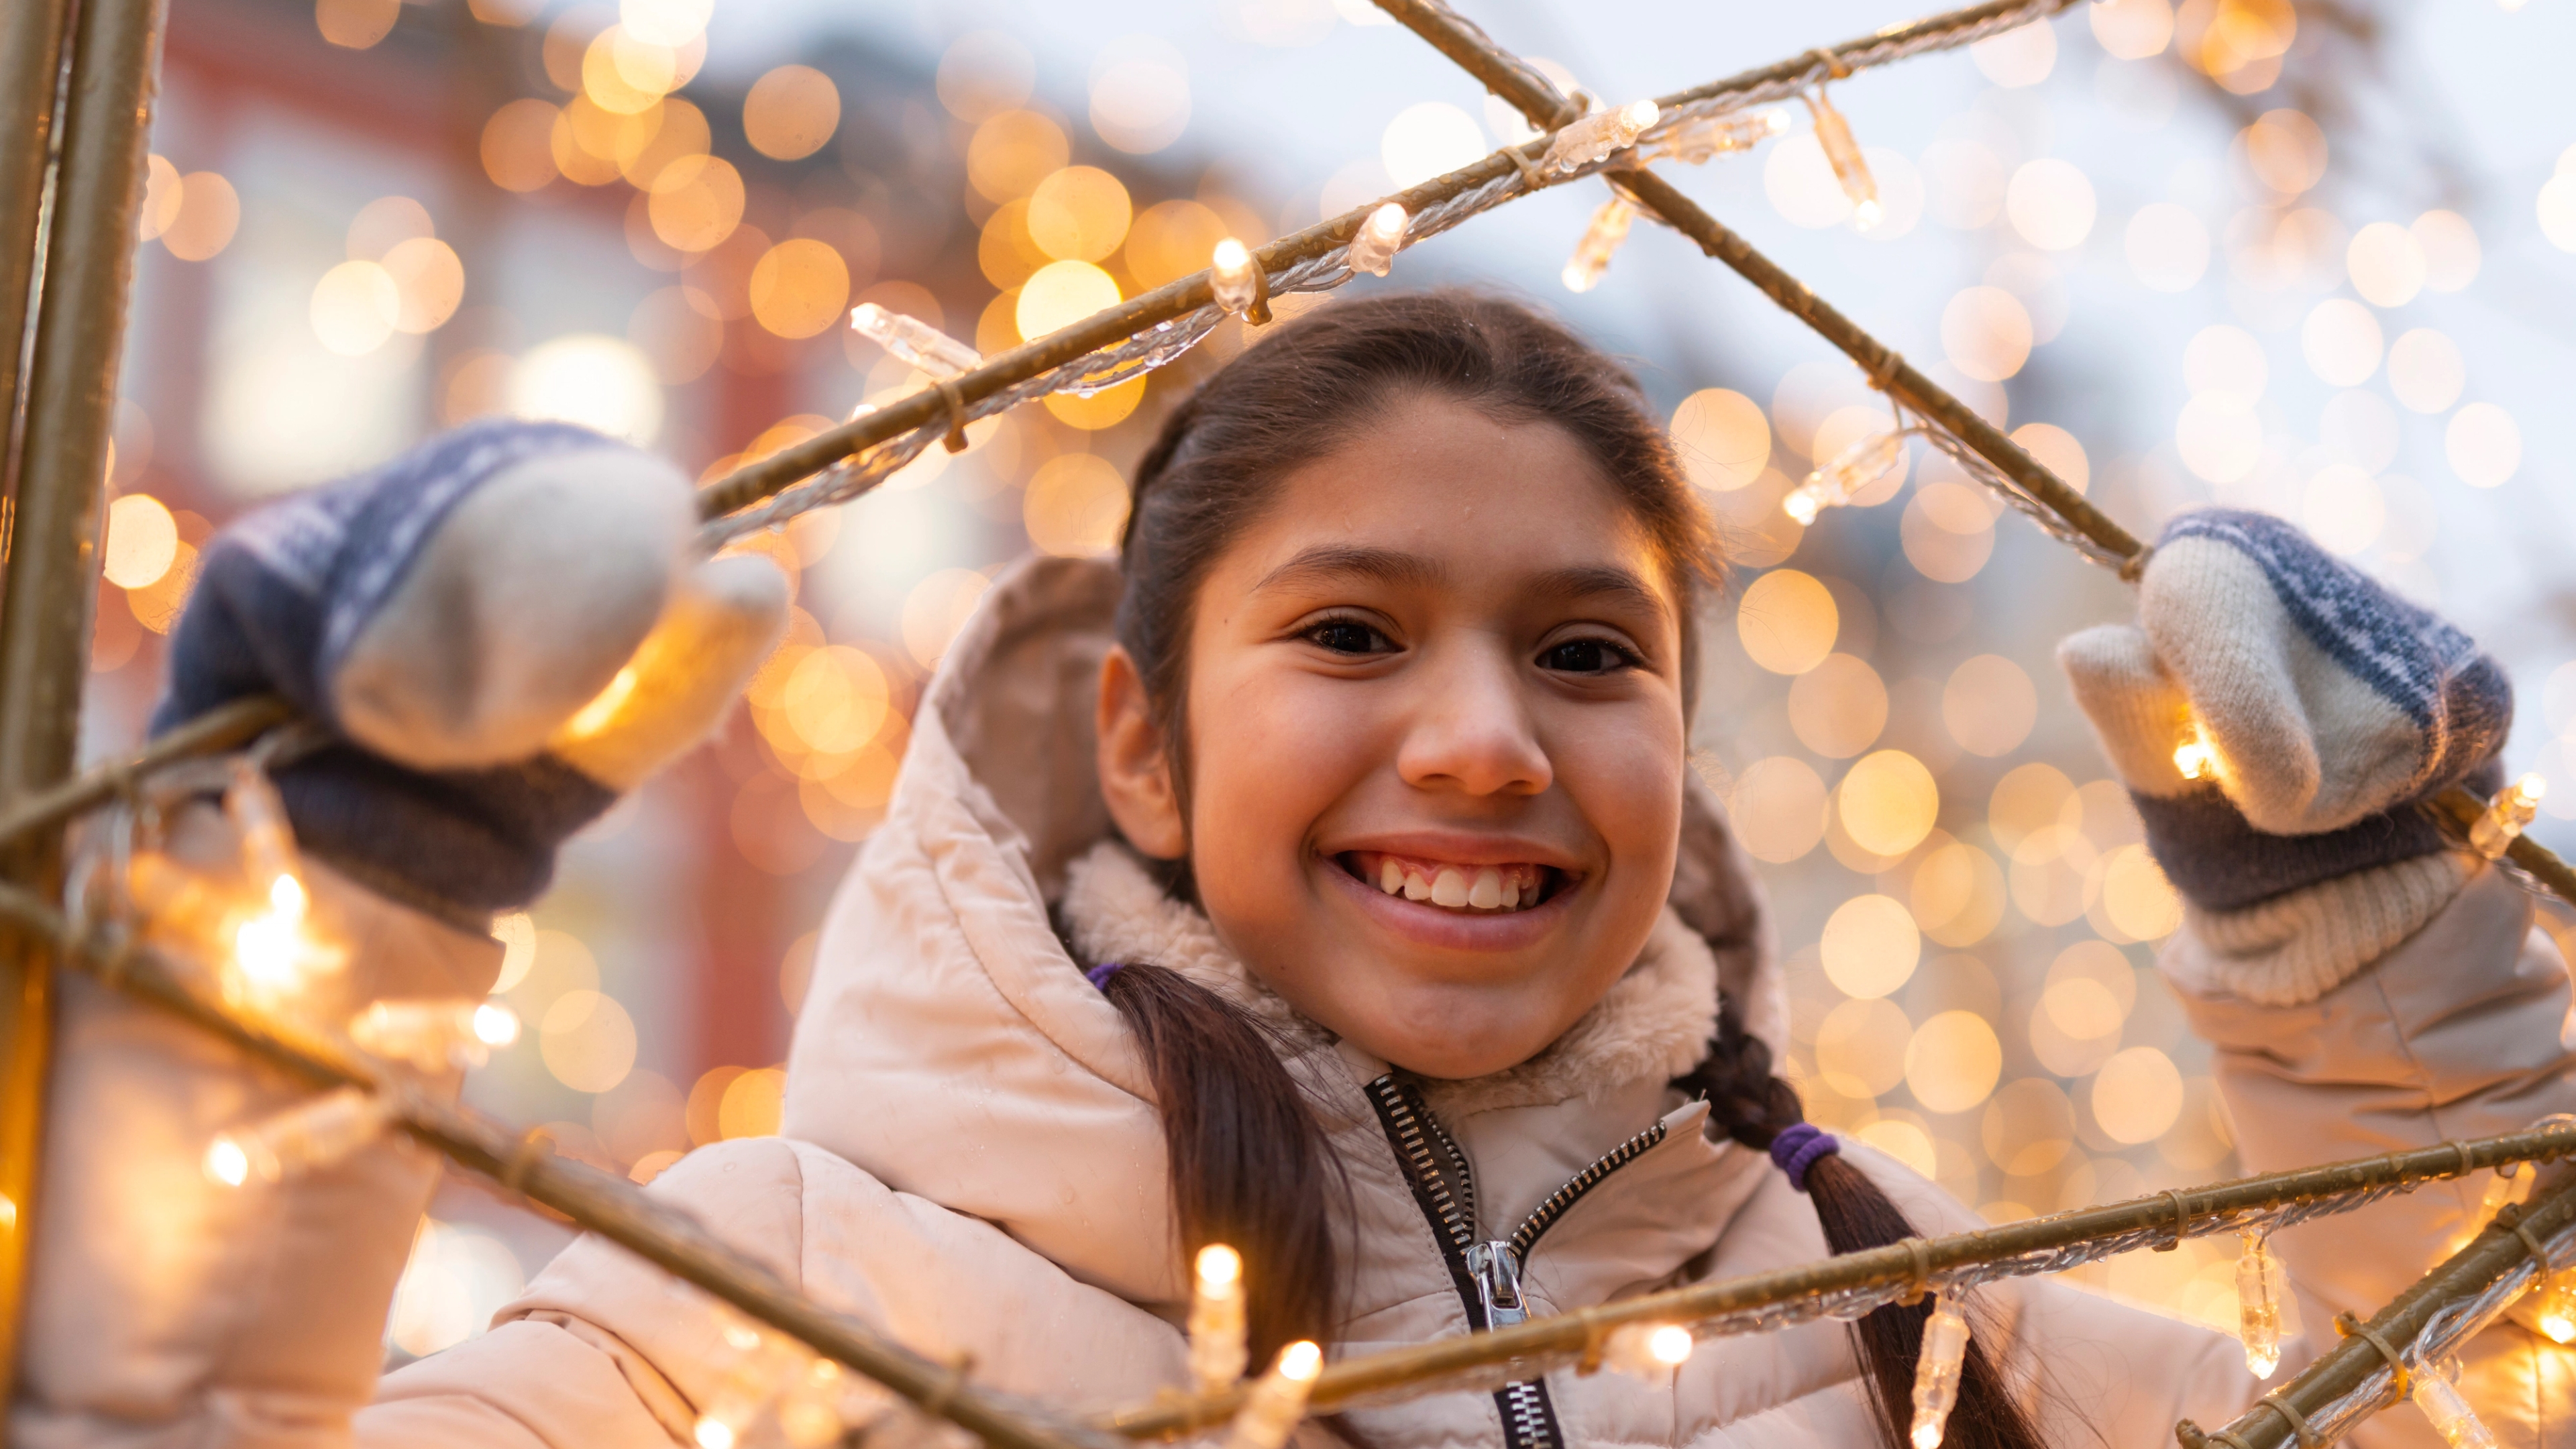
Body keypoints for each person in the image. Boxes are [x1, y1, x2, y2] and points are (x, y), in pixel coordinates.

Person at [20, 292, 2572, 1449]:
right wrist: (351, 867)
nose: (1483, 744)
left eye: (1591, 656)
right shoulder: (761, 1313)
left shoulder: (1935, 1356)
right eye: (1352, 630)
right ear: (1138, 739)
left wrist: (2369, 937)